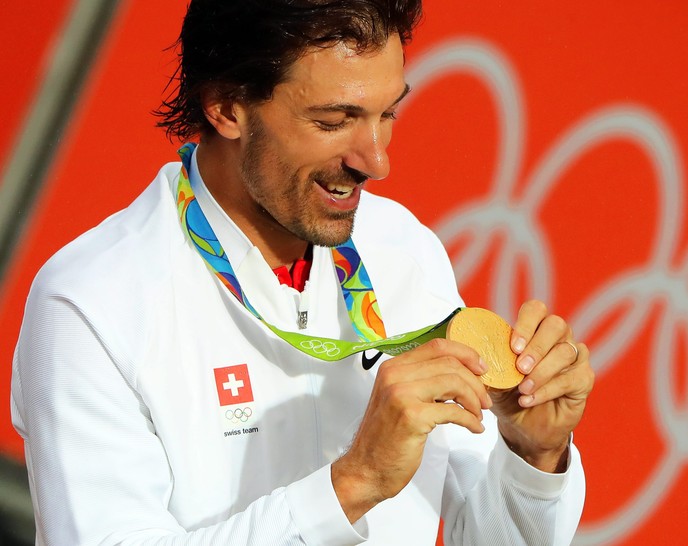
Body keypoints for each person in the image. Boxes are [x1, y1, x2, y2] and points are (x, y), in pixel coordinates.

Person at [11, 0, 595, 544]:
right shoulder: (91, 304)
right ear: (227, 107)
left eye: (386, 113)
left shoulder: (403, 249)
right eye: (335, 120)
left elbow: (486, 532)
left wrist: (533, 458)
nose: (377, 159)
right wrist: (353, 484)